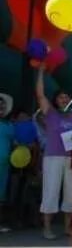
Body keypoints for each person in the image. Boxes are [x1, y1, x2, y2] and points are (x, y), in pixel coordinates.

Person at [36, 69, 72, 239]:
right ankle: (47, 228)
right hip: (53, 157)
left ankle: (68, 228)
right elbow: (39, 94)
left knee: (70, 193)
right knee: (50, 191)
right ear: (56, 100)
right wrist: (40, 71)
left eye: (67, 97)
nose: (64, 99)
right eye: (61, 97)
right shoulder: (50, 113)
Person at [0, 93, 13, 226]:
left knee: (1, 196)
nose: (1, 107)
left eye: (3, 105)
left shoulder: (9, 125)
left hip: (4, 166)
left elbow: (14, 143)